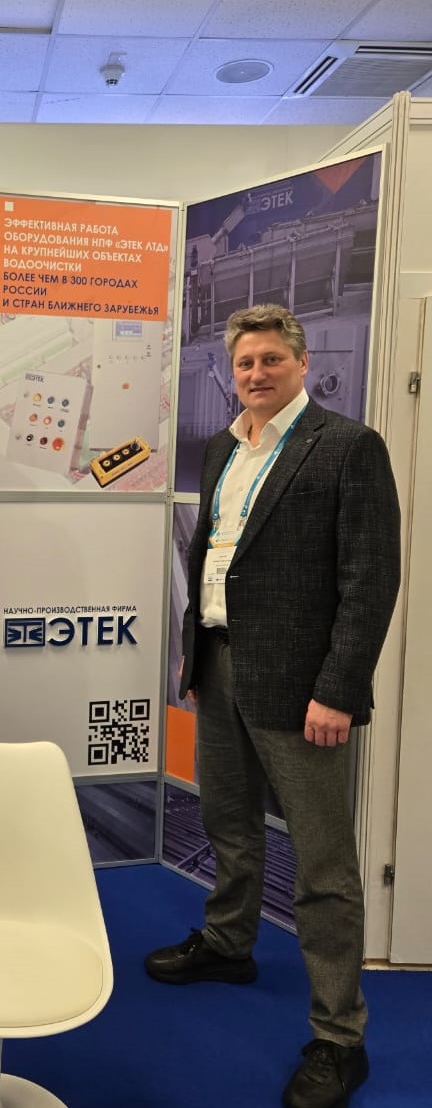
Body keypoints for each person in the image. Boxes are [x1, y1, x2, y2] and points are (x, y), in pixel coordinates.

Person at [146, 304, 400, 1108]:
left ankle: (339, 1036)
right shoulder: (226, 447)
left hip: (303, 690)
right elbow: (212, 558)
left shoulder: (348, 447)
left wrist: (339, 689)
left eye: (270, 361)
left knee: (323, 867)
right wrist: (194, 655)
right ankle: (230, 942)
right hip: (220, 667)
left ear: (301, 362)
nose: (255, 374)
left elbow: (370, 580)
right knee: (228, 822)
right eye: (245, 363)